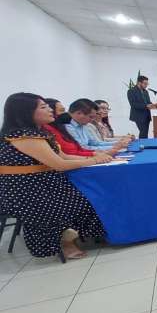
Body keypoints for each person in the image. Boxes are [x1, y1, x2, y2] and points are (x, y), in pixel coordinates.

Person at [0, 93, 112, 260]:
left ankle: (82, 234)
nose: (50, 110)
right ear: (26, 112)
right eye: (44, 107)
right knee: (85, 199)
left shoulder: (40, 132)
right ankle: (66, 240)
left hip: (46, 184)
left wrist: (95, 159)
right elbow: (59, 164)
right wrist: (94, 160)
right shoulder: (23, 136)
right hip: (27, 191)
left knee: (90, 193)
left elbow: (65, 157)